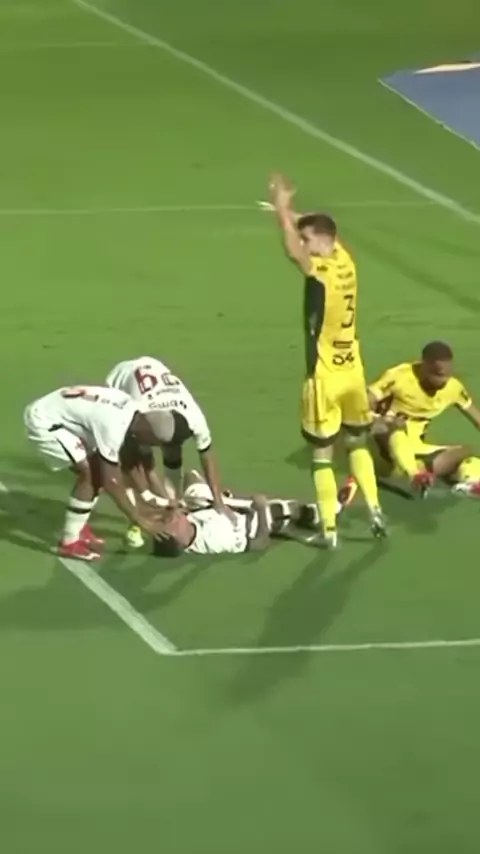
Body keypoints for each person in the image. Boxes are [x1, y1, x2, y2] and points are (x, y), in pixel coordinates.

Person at [269, 173, 385, 549]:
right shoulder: (346, 260)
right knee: (357, 443)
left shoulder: (321, 273)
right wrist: (295, 214)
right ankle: (375, 511)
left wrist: (282, 210)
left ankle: (329, 530)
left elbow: (293, 253)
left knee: (321, 453)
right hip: (353, 371)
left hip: (325, 376)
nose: (304, 244)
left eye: (308, 239)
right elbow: (318, 232)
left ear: (322, 240)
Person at [23, 385, 177, 560]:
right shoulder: (115, 427)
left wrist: (151, 498)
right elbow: (111, 481)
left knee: (96, 473)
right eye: (152, 442)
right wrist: (139, 519)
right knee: (91, 475)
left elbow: (128, 464)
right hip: (45, 419)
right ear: (146, 431)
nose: (150, 447)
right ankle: (69, 543)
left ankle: (77, 527)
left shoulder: (136, 413)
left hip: (62, 412)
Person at [337, 341, 480, 510]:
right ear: (424, 365)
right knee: (393, 425)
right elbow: (361, 406)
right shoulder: (399, 377)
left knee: (465, 453)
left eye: (448, 374)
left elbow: (476, 417)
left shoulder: (453, 388)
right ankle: (414, 475)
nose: (444, 380)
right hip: (383, 450)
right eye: (439, 374)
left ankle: (469, 484)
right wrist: (379, 419)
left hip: (415, 451)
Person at [106, 356, 228, 547]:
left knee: (171, 454)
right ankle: (135, 519)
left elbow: (207, 454)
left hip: (155, 372)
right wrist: (147, 497)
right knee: (133, 457)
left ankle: (172, 501)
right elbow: (132, 464)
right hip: (121, 381)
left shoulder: (195, 418)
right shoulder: (135, 415)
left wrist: (218, 500)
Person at [151, 471, 318, 556]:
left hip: (232, 509)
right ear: (178, 537)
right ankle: (318, 518)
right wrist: (261, 510)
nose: (169, 517)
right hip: (254, 522)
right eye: (169, 522)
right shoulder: (216, 540)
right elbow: (258, 544)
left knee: (194, 484)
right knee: (286, 511)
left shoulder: (189, 523)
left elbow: (190, 477)